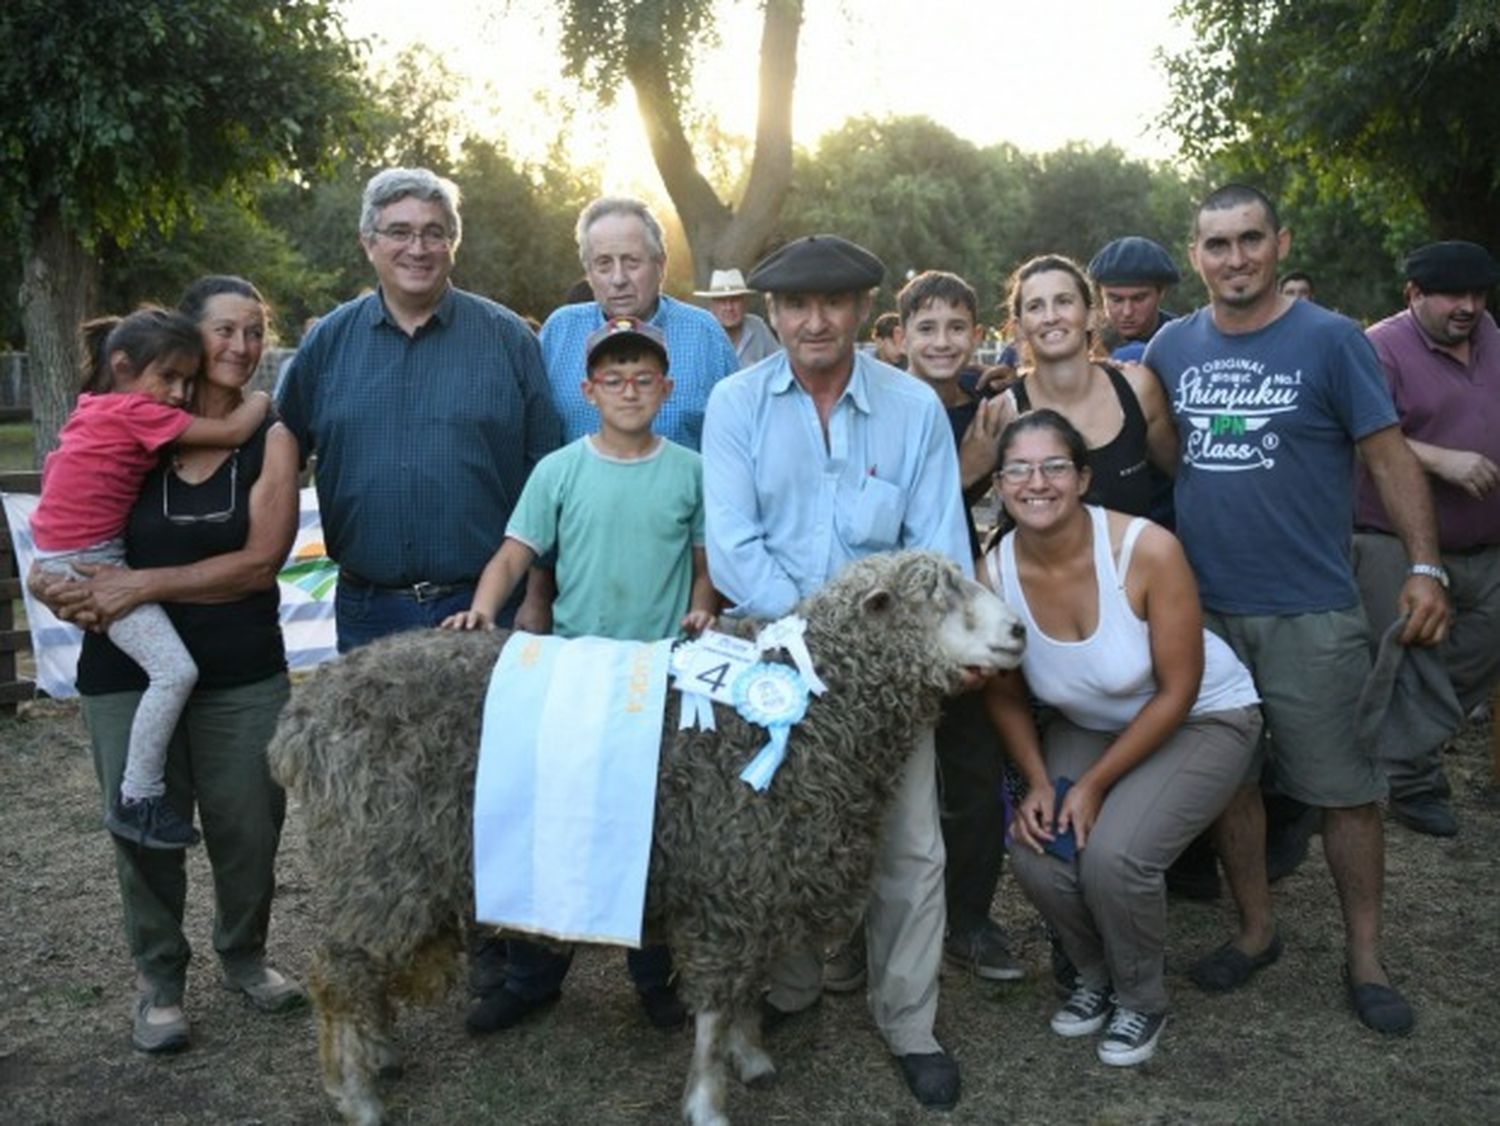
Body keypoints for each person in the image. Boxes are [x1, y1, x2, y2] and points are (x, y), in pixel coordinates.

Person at [1142, 183, 1449, 1036]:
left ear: (1279, 243)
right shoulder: (1170, 347)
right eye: (1216, 244)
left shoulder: (1332, 341)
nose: (1234, 258)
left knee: (1345, 792)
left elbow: (1388, 459)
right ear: (1196, 253)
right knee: (1231, 788)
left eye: (1249, 240)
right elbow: (1162, 452)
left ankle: (1366, 958)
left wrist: (1427, 565)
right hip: (1203, 614)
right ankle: (1255, 930)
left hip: (1313, 608)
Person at [702, 234, 969, 1111]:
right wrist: (817, 643)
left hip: (886, 680)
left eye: (833, 303)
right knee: (769, 837)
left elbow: (935, 553)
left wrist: (861, 659)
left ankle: (910, 1022)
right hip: (766, 665)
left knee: (909, 847)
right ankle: (790, 988)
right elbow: (734, 546)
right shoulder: (735, 404)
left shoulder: (914, 410)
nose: (815, 320)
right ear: (772, 314)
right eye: (796, 305)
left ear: (862, 312)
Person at [30, 275, 305, 1054]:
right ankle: (159, 979)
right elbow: (65, 529)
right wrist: (55, 585)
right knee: (141, 826)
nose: (242, 347)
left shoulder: (269, 438)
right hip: (123, 666)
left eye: (255, 332)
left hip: (240, 666)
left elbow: (258, 565)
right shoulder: (137, 427)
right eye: (226, 331)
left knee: (250, 826)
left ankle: (245, 955)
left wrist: (138, 584)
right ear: (188, 339)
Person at [448, 315, 716, 1035]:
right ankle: (534, 973)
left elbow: (703, 566)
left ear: (667, 387)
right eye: (613, 379)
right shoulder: (559, 469)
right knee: (555, 818)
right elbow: (515, 553)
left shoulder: (692, 470)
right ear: (587, 389)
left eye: (643, 378)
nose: (629, 390)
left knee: (653, 827)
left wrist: (699, 610)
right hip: (572, 677)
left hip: (653, 679)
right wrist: (482, 608)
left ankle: (655, 975)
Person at [980, 410, 1260, 1066]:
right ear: (999, 483)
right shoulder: (993, 572)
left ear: (1082, 477)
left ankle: (1141, 997)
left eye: (1054, 466)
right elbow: (1002, 690)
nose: (1036, 482)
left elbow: (1179, 689)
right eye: (1019, 469)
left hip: (1202, 716)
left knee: (1116, 856)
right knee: (1037, 847)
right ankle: (1093, 975)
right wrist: (1042, 783)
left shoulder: (1146, 549)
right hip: (1090, 721)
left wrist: (1096, 787)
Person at [276, 167, 562, 651]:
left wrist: (539, 592)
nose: (418, 247)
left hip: (489, 606)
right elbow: (280, 449)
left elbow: (547, 473)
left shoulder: (509, 340)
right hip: (368, 609)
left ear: (453, 242)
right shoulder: (328, 342)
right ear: (369, 242)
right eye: (399, 232)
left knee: (489, 730)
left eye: (434, 232)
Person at [31, 308, 269, 849]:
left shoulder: (93, 407)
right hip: (88, 561)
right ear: (122, 365)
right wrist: (265, 398)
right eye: (169, 377)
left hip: (63, 555)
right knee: (174, 671)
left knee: (169, 669)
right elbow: (233, 430)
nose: (180, 393)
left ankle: (139, 795)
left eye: (187, 380)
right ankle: (139, 797)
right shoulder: (139, 412)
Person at [894, 269, 1022, 981]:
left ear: (977, 334)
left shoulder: (992, 409)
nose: (942, 341)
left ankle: (969, 918)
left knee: (972, 771)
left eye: (955, 327)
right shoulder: (882, 406)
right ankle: (870, 925)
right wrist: (964, 468)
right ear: (901, 333)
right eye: (926, 327)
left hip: (974, 608)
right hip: (906, 617)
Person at [1353, 240, 1500, 837]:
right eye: (1452, 296)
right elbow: (1356, 431)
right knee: (1412, 652)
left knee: (1483, 644)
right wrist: (1440, 459)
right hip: (1393, 538)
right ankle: (1413, 782)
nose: (1467, 306)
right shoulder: (1378, 347)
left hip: (1486, 542)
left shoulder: (1491, 336)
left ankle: (1407, 747)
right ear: (1414, 294)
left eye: (1477, 294)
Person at [981, 255, 1177, 523]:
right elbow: (949, 498)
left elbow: (1186, 478)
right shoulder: (1001, 412)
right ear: (1019, 328)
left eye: (1064, 301)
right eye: (1036, 306)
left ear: (1091, 316)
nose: (1050, 317)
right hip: (1034, 564)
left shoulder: (1137, 389)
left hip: (1130, 562)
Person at [539, 197, 738, 451]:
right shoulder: (559, 332)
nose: (619, 278)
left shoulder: (704, 334)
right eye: (604, 264)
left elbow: (739, 435)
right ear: (588, 272)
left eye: (632, 261)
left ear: (661, 265)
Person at [1088, 236, 1180, 358]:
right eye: (1116, 300)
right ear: (1101, 294)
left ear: (1161, 292)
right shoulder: (1084, 342)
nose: (1127, 312)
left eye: (1138, 299)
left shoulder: (1184, 341)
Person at [693, 268, 780, 368]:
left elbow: (780, 363)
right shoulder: (700, 334)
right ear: (712, 305)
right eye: (721, 301)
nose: (729, 307)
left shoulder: (758, 327)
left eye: (735, 300)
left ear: (744, 303)